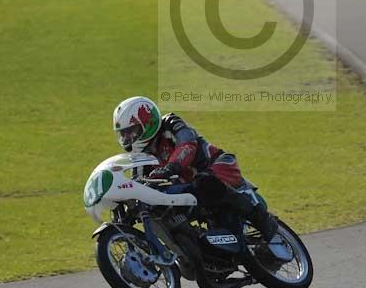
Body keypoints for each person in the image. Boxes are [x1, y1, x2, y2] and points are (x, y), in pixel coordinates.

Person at [112, 95, 278, 241]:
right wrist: (127, 208)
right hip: (191, 188)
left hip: (217, 165)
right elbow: (138, 182)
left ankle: (262, 219)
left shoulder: (170, 123)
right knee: (162, 207)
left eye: (131, 131)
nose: (127, 137)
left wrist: (171, 167)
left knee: (204, 182)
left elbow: (187, 145)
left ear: (148, 123)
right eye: (123, 134)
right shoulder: (141, 154)